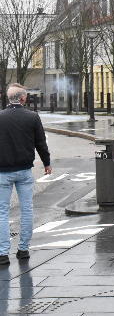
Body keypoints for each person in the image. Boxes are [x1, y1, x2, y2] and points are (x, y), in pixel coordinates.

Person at [0, 84, 52, 264]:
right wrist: (47, 163)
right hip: (24, 171)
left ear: (9, 99)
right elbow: (41, 143)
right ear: (23, 99)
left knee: (2, 212)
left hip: (3, 172)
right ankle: (23, 250)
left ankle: (2, 253)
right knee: (27, 209)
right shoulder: (32, 117)